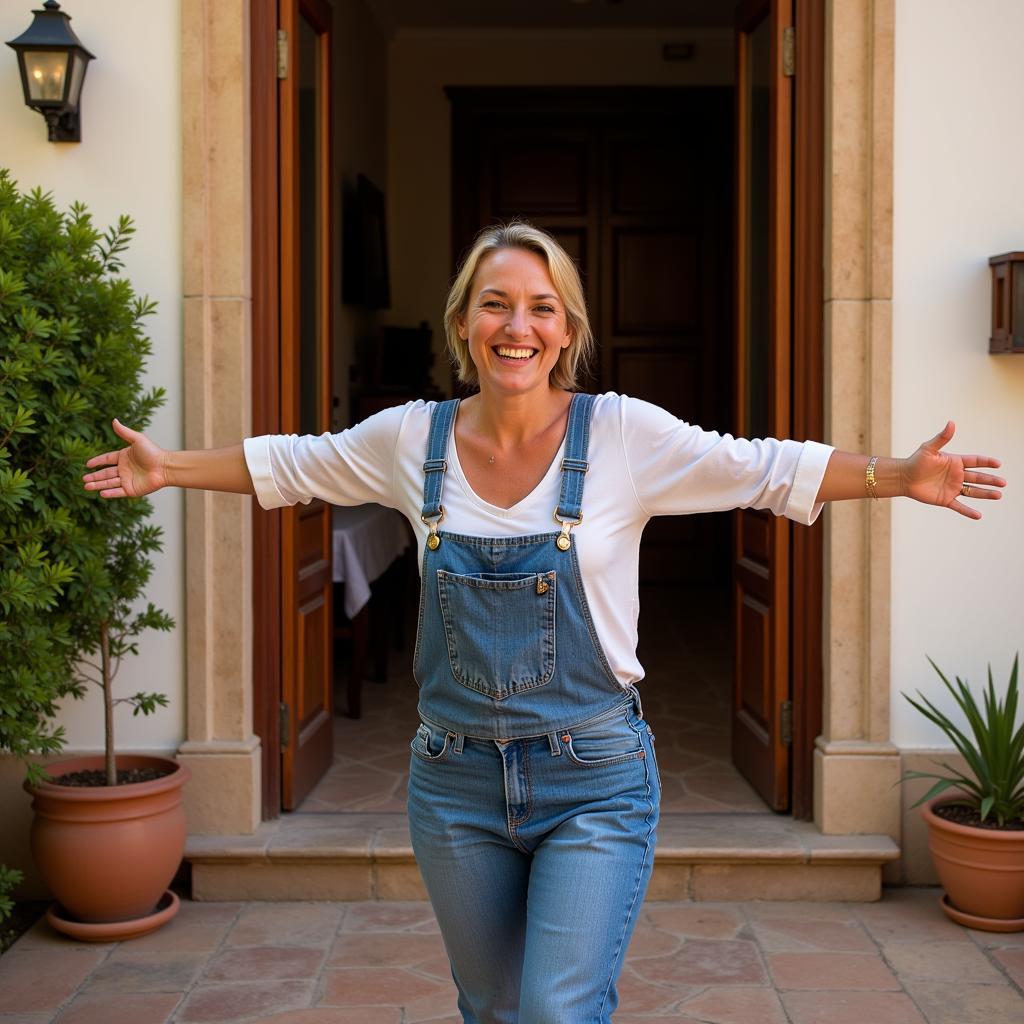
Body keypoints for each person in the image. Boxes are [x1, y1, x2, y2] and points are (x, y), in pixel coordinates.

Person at [83, 222, 1005, 1023]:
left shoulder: (622, 436)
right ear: (462, 325)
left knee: (559, 1011)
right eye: (494, 305)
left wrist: (898, 474)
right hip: (454, 785)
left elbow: (761, 468)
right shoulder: (414, 439)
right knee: (491, 1008)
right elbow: (294, 463)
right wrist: (170, 469)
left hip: (595, 777)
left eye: (539, 307)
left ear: (567, 331)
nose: (516, 326)